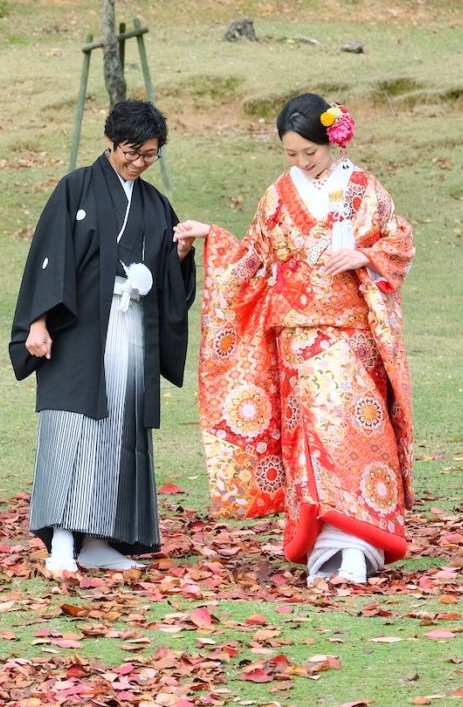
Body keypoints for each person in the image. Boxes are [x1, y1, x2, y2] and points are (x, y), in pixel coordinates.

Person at [173, 93, 415, 586]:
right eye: (293, 154)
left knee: (356, 435)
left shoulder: (364, 189)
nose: (303, 162)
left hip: (350, 334)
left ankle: (358, 546)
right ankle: (326, 548)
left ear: (333, 141)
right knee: (306, 442)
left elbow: (399, 241)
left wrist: (364, 258)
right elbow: (253, 260)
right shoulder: (278, 194)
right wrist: (213, 236)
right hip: (294, 340)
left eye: (312, 152)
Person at [9, 99, 197, 577]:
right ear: (111, 143)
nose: (138, 162)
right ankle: (63, 540)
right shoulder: (76, 188)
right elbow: (48, 260)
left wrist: (178, 255)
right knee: (71, 427)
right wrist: (37, 323)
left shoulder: (155, 204)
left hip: (131, 330)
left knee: (121, 429)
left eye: (150, 154)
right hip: (79, 330)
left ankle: (98, 539)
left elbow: (166, 280)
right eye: (131, 152)